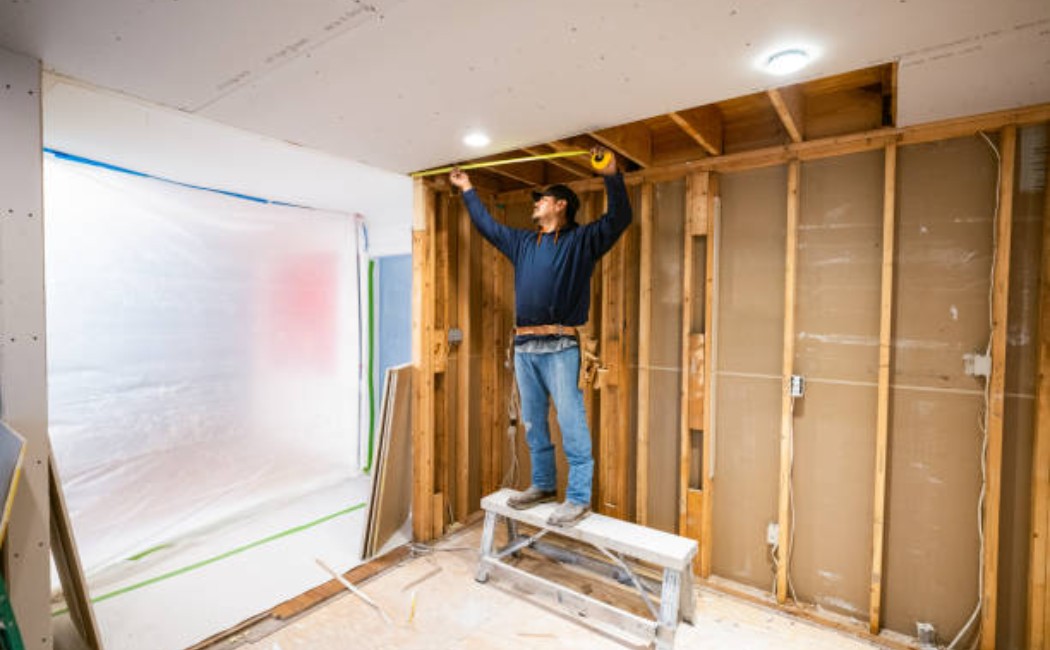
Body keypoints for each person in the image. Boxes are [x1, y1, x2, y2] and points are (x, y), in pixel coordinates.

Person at [449, 147, 632, 526]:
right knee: (533, 420)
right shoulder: (523, 243)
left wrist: (611, 174)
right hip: (524, 347)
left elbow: (620, 218)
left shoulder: (582, 241)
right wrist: (467, 188)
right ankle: (544, 484)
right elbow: (488, 227)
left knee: (570, 420)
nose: (535, 206)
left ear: (561, 205)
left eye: (542, 200)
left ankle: (578, 497)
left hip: (561, 346)